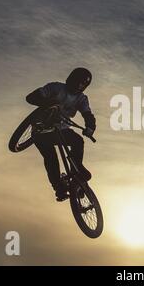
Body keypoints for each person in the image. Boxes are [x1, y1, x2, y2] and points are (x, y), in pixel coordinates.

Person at [25, 67, 96, 201]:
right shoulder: (56, 88)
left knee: (77, 141)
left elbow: (88, 115)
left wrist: (90, 127)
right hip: (41, 130)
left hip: (62, 129)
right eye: (78, 82)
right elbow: (31, 98)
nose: (80, 86)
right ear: (71, 79)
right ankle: (59, 188)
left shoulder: (81, 99)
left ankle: (77, 171)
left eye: (83, 84)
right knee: (50, 157)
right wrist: (47, 103)